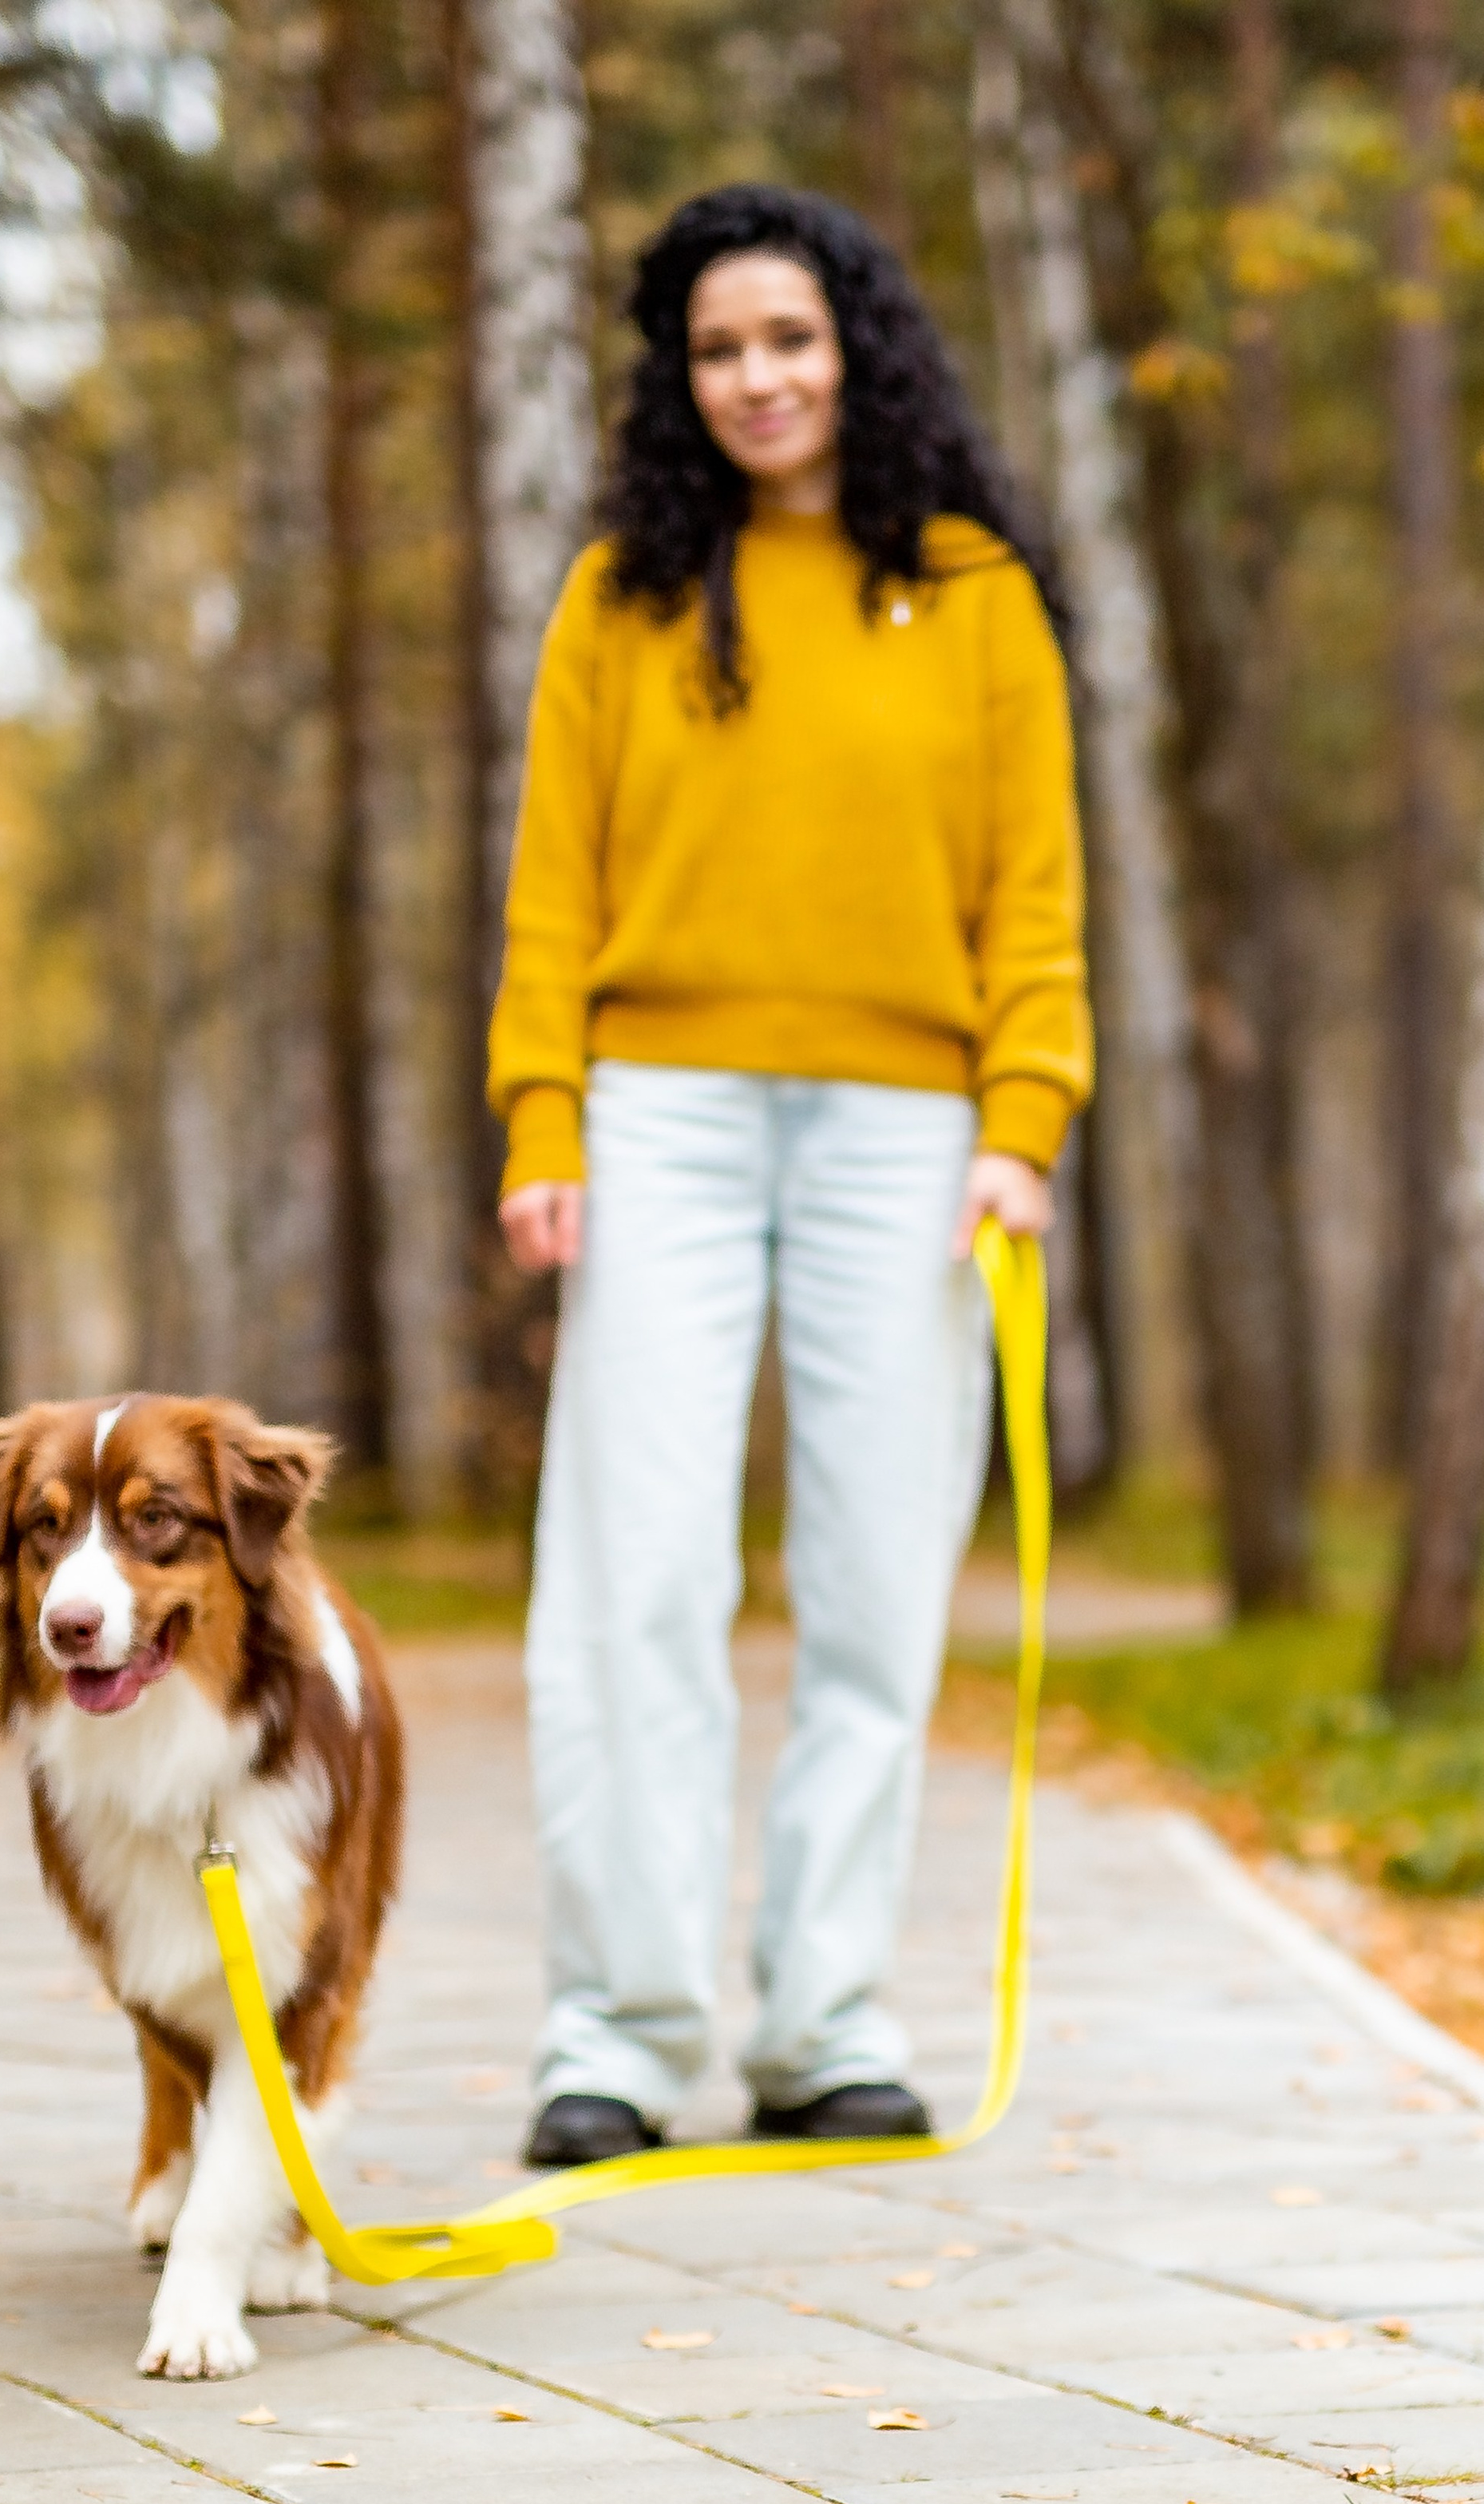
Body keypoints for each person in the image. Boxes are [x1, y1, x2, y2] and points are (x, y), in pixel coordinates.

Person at [488, 184, 1092, 2171]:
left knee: (872, 1580)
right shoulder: (622, 594)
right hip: (653, 1107)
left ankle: (825, 2022)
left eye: (787, 340)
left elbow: (1033, 894)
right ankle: (617, 2035)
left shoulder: (974, 593)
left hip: (906, 1128)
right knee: (631, 1575)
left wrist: (1020, 1121)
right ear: (678, 379)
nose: (754, 378)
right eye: (716, 350)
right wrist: (541, 1121)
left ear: (857, 351)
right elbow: (550, 891)